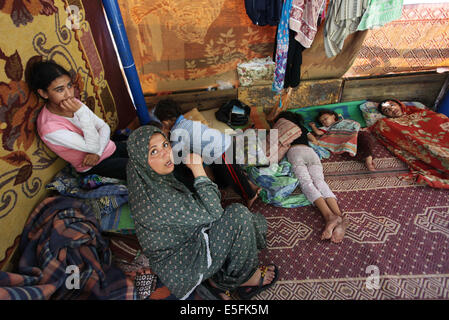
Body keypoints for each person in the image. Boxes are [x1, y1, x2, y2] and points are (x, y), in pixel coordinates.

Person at [126, 125, 279, 300]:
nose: (165, 153)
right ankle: (234, 280)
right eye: (153, 151)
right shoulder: (157, 198)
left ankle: (219, 274)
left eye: (165, 145)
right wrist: (198, 168)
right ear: (141, 159)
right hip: (185, 264)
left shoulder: (141, 175)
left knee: (254, 222)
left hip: (187, 239)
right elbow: (214, 212)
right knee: (239, 215)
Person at [26, 60, 129, 180]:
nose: (68, 94)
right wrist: (81, 113)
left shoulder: (74, 103)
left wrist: (98, 152)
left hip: (109, 148)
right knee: (147, 167)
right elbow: (92, 147)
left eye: (69, 86)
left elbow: (104, 127)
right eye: (60, 90)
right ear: (43, 93)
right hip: (96, 165)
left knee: (149, 148)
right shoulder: (49, 128)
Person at [154, 99, 260, 208]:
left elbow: (175, 154)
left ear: (165, 122)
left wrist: (165, 136)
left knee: (234, 177)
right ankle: (251, 184)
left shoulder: (177, 131)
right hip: (218, 149)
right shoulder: (186, 122)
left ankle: (250, 195)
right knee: (225, 176)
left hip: (222, 150)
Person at [276, 111, 349, 244]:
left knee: (307, 183)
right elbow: (314, 140)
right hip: (311, 152)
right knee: (320, 182)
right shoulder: (302, 128)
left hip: (295, 152)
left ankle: (329, 217)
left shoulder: (282, 127)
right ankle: (340, 217)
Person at [310, 110, 376, 171]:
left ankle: (368, 160)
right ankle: (367, 160)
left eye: (325, 118)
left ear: (333, 116)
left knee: (365, 138)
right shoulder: (327, 128)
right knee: (346, 151)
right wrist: (313, 126)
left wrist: (357, 130)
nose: (324, 121)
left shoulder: (344, 121)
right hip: (343, 141)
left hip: (355, 135)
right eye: (322, 122)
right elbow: (318, 133)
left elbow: (355, 125)